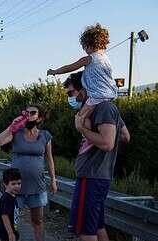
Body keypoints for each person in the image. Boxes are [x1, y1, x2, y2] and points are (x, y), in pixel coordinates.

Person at [60, 71, 130, 241]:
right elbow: (124, 136)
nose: (71, 97)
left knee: (87, 233)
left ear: (85, 88)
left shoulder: (104, 109)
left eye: (71, 92)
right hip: (97, 177)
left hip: (92, 178)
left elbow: (109, 143)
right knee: (98, 228)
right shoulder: (107, 108)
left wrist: (83, 129)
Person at [0, 104, 57, 241]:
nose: (28, 115)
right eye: (26, 112)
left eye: (33, 112)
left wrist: (53, 180)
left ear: (40, 117)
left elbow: (49, 159)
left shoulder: (45, 135)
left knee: (38, 220)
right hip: (16, 187)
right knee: (10, 219)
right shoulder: (16, 133)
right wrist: (12, 126)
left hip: (37, 186)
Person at [47, 23, 117, 154]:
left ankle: (88, 140)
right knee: (88, 116)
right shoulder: (106, 59)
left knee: (80, 118)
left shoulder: (89, 59)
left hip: (97, 96)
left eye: (84, 46)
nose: (84, 49)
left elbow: (71, 67)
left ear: (88, 44)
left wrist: (54, 71)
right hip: (109, 93)